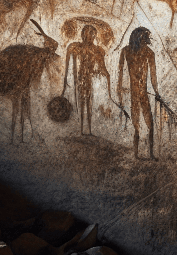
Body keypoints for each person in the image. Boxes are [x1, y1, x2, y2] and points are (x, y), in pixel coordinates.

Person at [118, 26, 159, 159]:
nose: (147, 39)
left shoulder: (149, 53)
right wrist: (120, 91)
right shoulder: (126, 51)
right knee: (136, 125)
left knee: (150, 124)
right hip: (133, 93)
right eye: (145, 36)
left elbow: (153, 76)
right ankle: (136, 154)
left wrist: (157, 92)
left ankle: (151, 153)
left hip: (143, 93)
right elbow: (121, 73)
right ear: (139, 37)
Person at [63, 24, 111, 136]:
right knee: (82, 102)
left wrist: (106, 75)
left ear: (94, 36)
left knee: (88, 103)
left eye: (91, 34)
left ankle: (88, 130)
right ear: (83, 35)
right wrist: (65, 81)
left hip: (89, 78)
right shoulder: (76, 47)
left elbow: (102, 67)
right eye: (86, 34)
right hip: (81, 78)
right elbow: (68, 65)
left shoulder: (98, 50)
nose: (89, 37)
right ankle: (81, 130)